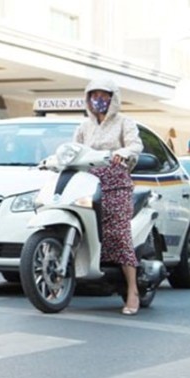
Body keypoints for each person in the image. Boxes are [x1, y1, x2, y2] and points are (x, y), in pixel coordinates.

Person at [73, 79, 143, 315]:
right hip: (88, 182)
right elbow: (75, 150)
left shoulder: (125, 122)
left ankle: (133, 291)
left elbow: (135, 146)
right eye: (94, 96)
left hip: (116, 182)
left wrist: (121, 153)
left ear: (113, 99)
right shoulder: (84, 126)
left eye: (104, 96)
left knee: (118, 234)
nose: (98, 101)